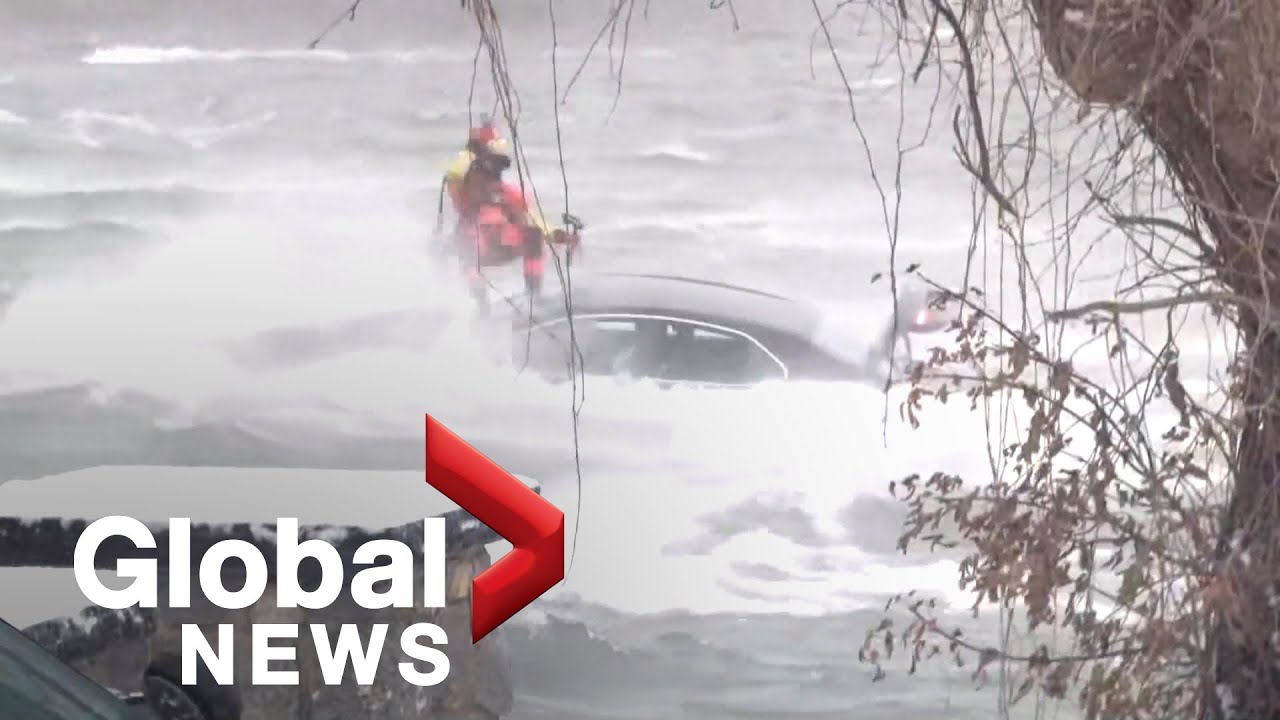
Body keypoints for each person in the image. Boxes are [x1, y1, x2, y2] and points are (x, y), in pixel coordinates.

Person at [445, 134, 581, 314]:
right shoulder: (463, 195)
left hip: (502, 246)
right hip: (477, 248)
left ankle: (534, 298)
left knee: (533, 235)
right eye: (481, 173)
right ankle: (481, 306)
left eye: (494, 173)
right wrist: (472, 151)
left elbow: (531, 220)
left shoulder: (509, 194)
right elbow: (453, 176)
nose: (487, 180)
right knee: (467, 242)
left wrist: (559, 235)